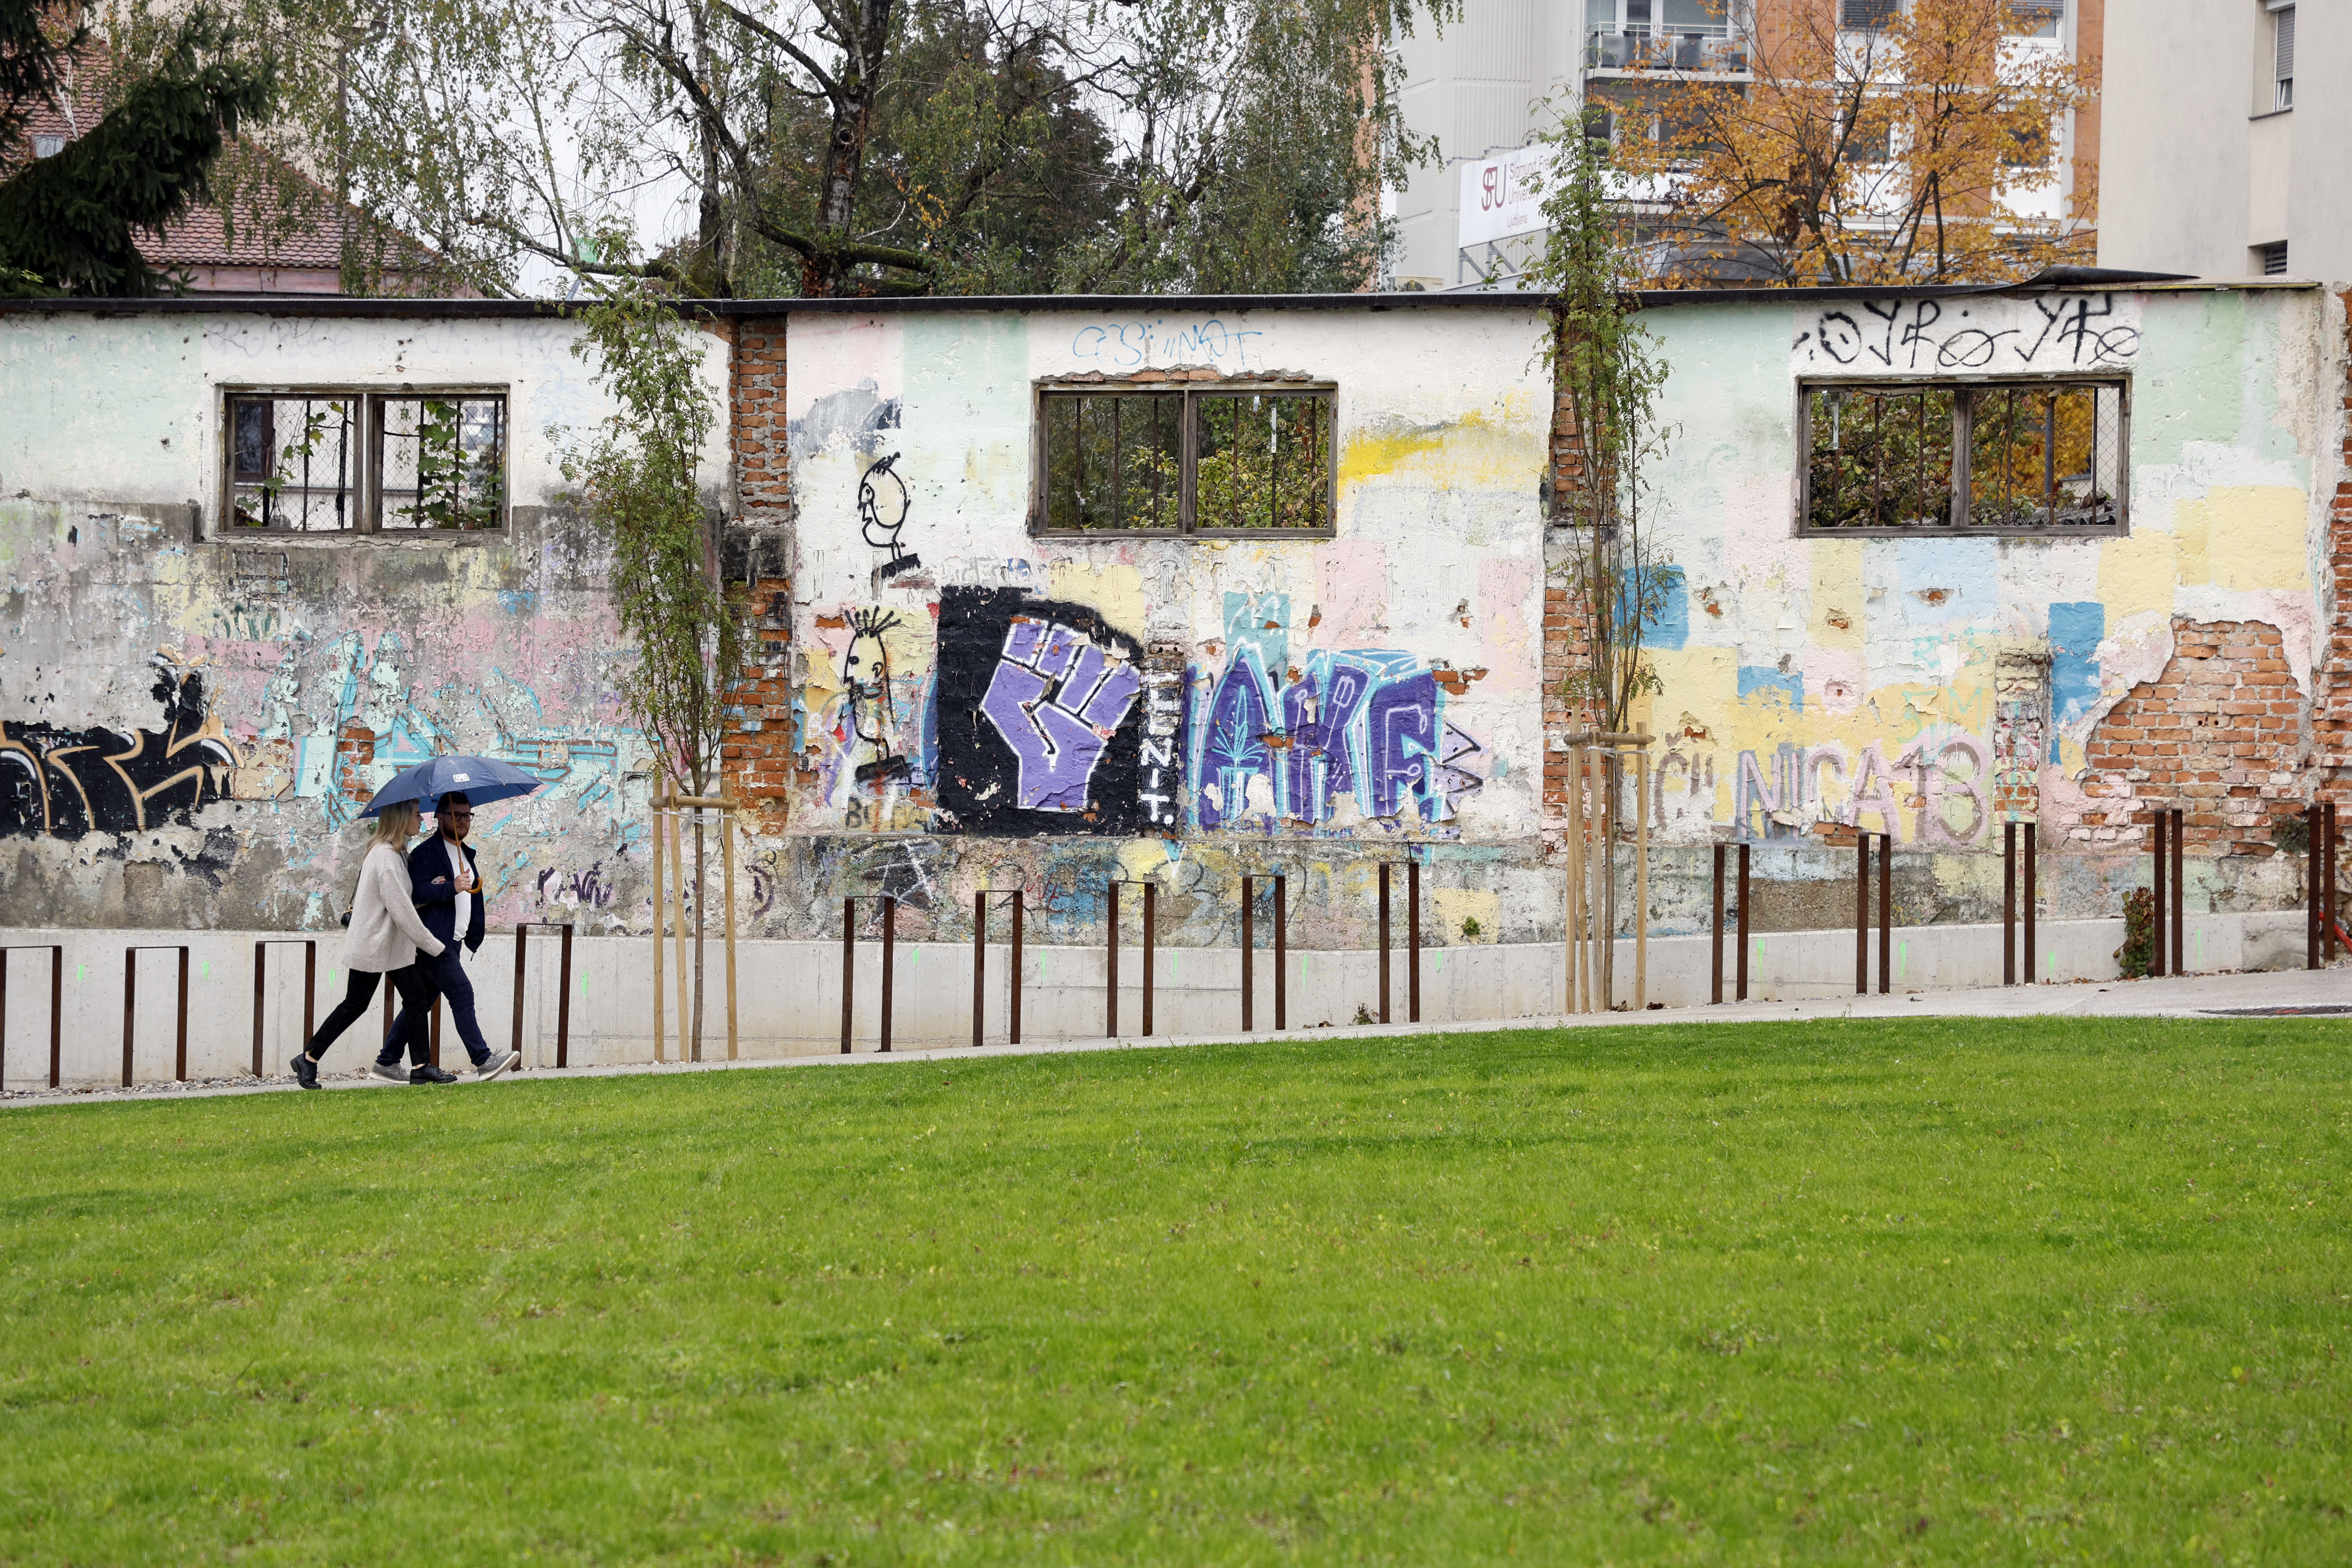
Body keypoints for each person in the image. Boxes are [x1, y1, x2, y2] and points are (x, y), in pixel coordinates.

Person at [286, 801, 447, 1089]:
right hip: (374, 943)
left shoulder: (395, 854)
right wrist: (433, 945)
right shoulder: (386, 857)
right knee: (355, 1005)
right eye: (415, 814)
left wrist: (431, 890)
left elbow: (400, 900)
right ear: (400, 818)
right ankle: (308, 1059)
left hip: (391, 945)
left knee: (416, 1000)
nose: (422, 819)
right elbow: (401, 911)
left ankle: (421, 1067)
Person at [379, 790, 520, 1082]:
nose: (463, 821)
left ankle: (387, 1062)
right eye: (456, 815)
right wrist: (450, 888)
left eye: (467, 815)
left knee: (419, 1004)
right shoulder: (426, 854)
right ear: (440, 817)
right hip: (433, 941)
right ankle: (483, 1060)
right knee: (462, 993)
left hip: (454, 941)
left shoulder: (465, 854)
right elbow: (413, 893)